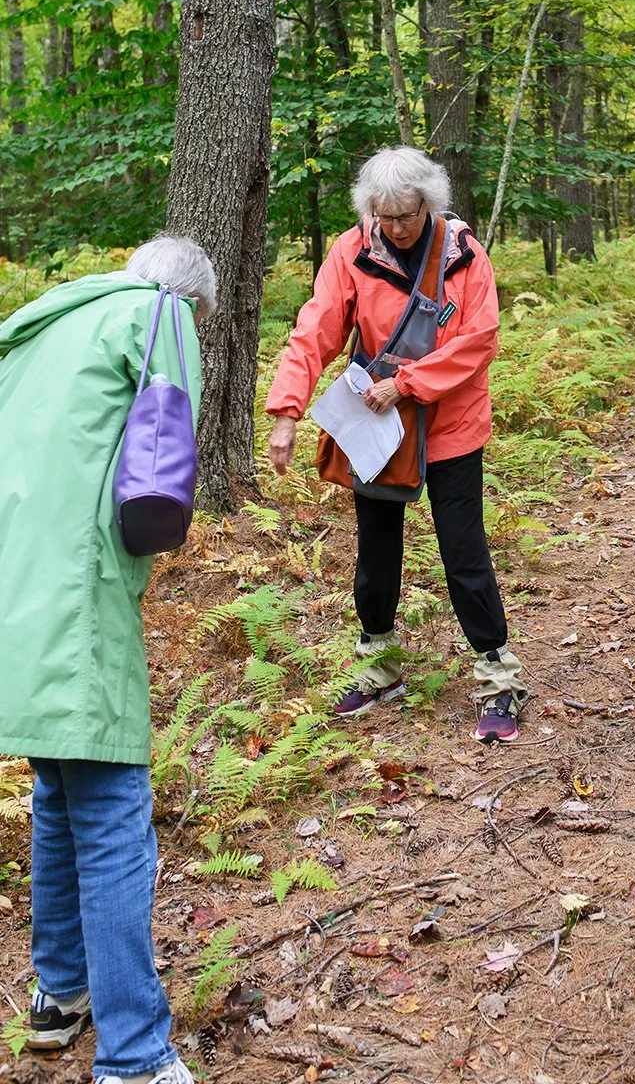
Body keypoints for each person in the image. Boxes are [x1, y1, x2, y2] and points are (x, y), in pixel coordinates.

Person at [0, 234, 216, 1084]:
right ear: (193, 303)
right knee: (116, 806)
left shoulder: (42, 331)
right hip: (76, 596)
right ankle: (134, 1054)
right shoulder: (159, 315)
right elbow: (161, 472)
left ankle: (59, 997)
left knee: (59, 787)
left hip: (16, 592)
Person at [266, 146, 527, 744]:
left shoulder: (464, 255)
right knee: (376, 548)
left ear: (428, 205)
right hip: (377, 428)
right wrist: (285, 411)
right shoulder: (351, 251)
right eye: (385, 217)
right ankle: (379, 663)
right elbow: (316, 330)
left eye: (406, 215)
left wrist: (406, 384)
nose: (397, 228)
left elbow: (478, 340)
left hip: (453, 422)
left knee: (463, 550)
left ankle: (498, 674)